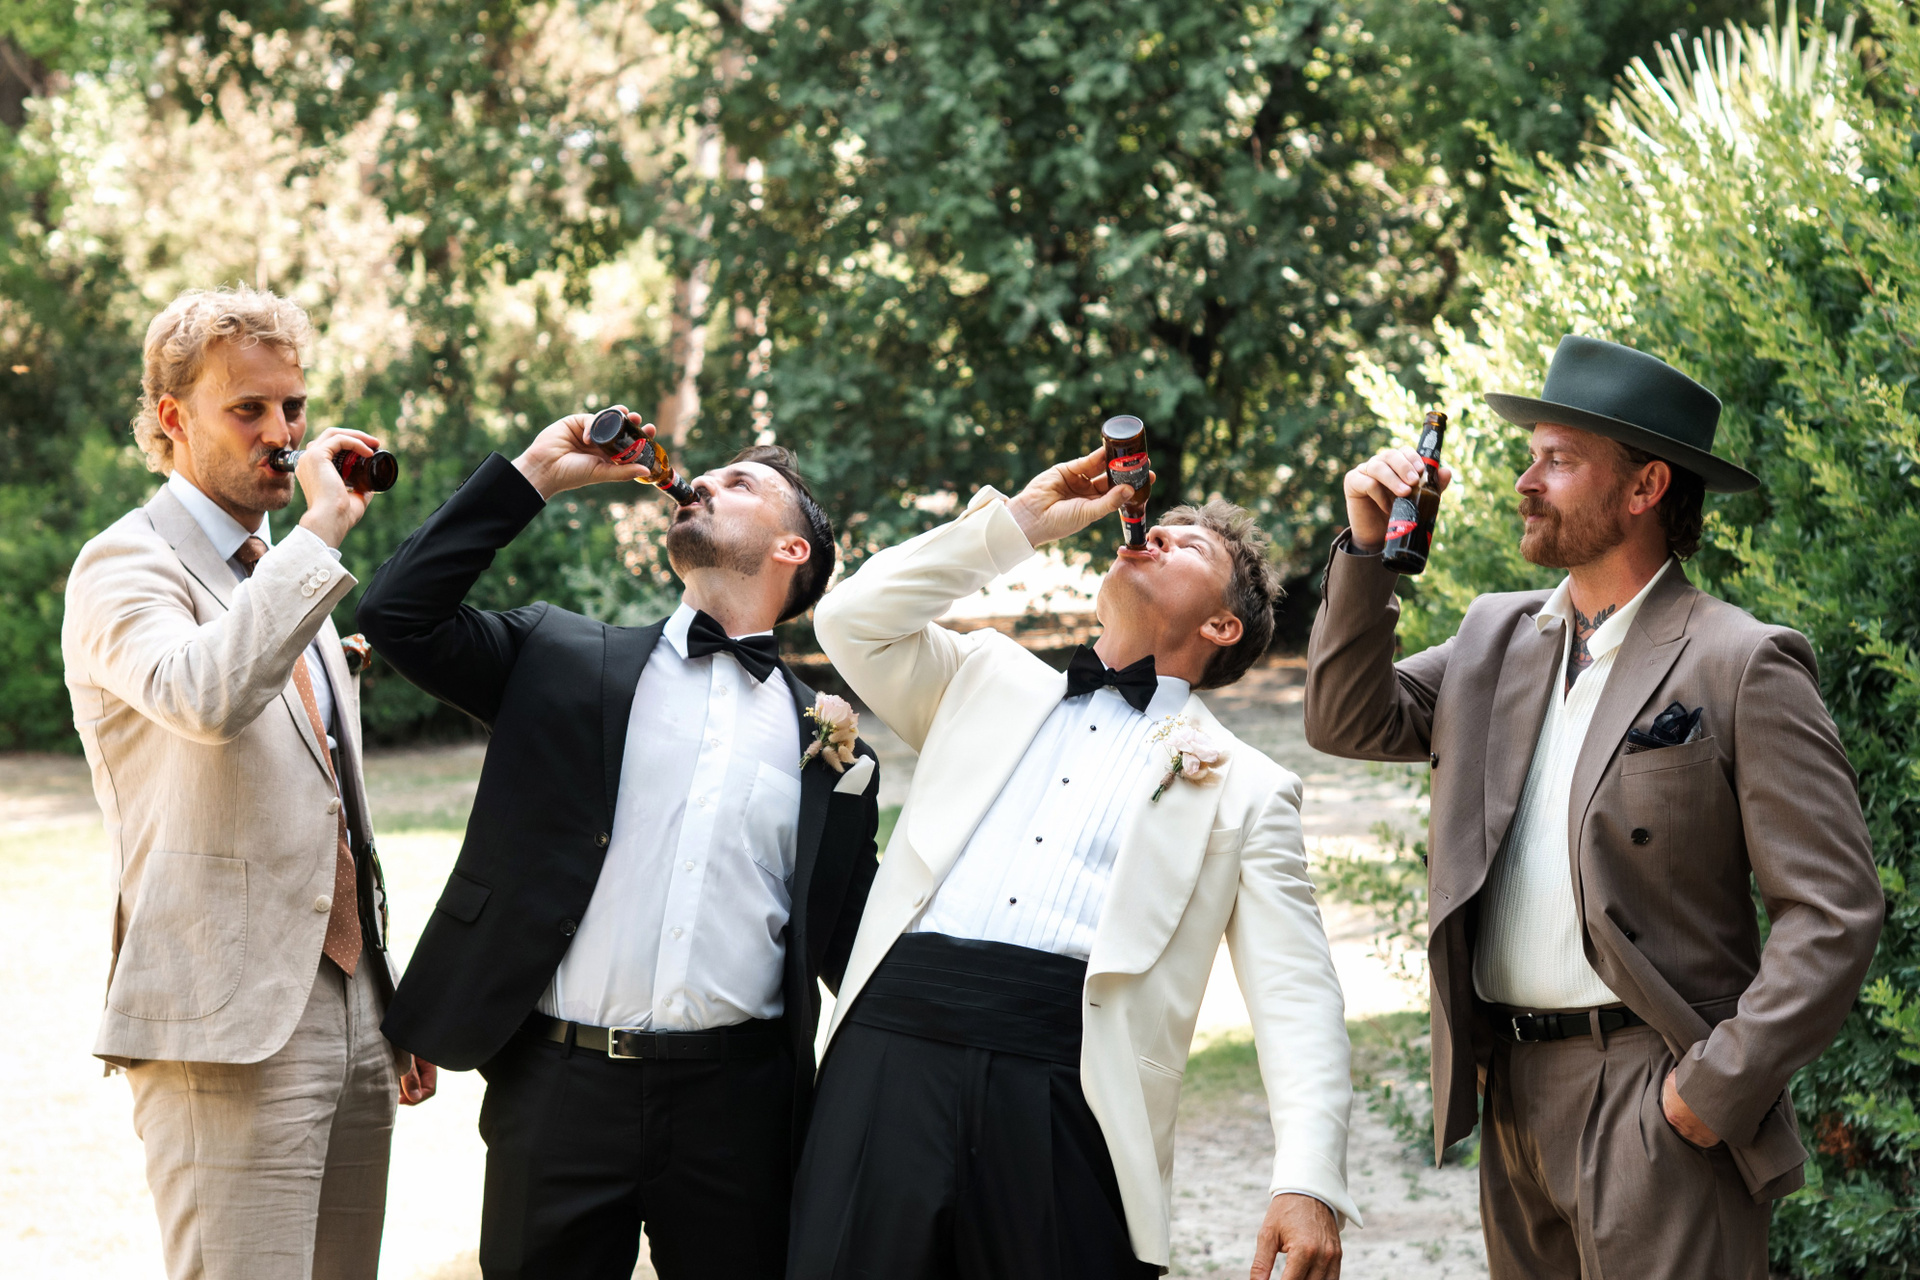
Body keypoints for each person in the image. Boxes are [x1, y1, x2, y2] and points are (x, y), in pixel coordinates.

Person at [1305, 334, 1885, 1279]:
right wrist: (1369, 553)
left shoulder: (1741, 662)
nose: (1526, 482)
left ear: (1646, 486)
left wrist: (1712, 1089)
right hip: (1512, 1094)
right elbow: (1347, 719)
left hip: (1654, 1100)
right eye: (1531, 456)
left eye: (1560, 461)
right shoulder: (1495, 638)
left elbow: (1835, 911)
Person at [792, 447, 1356, 1280]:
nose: (1154, 537)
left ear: (1222, 627)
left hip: (1071, 1083)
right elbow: (851, 618)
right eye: (1156, 529)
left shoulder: (1249, 788)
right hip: (889, 1045)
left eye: (1188, 545)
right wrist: (1019, 522)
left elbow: (1297, 993)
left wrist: (1308, 1179)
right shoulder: (980, 674)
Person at [355, 417, 882, 1280]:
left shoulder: (830, 749)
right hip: (557, 1089)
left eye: (741, 484)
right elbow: (396, 614)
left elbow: (858, 949)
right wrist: (535, 473)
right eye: (709, 475)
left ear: (793, 550)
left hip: (741, 1108)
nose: (703, 483)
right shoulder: (560, 657)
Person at [61, 286, 431, 1280]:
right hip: (222, 1020)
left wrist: (386, 998)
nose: (282, 433)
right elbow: (203, 695)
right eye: (249, 410)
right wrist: (317, 539)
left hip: (351, 1001)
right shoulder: (124, 564)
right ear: (172, 418)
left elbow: (331, 801)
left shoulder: (280, 569)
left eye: (293, 407)